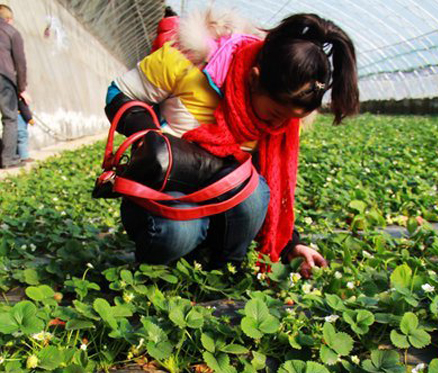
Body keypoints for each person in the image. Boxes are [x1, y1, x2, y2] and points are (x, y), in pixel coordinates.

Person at [105, 11, 359, 273]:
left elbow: (271, 186)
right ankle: (157, 267)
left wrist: (292, 244)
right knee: (180, 230)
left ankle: (224, 271)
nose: (279, 125)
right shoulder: (188, 60)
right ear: (254, 78)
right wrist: (152, 140)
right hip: (164, 195)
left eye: (291, 119)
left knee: (254, 190)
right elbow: (118, 93)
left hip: (220, 208)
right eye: (275, 114)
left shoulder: (282, 119)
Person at [0, 4, 29, 168]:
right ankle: (8, 159)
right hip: (3, 78)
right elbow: (20, 63)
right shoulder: (12, 32)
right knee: (10, 118)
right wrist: (21, 88)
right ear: (9, 19)